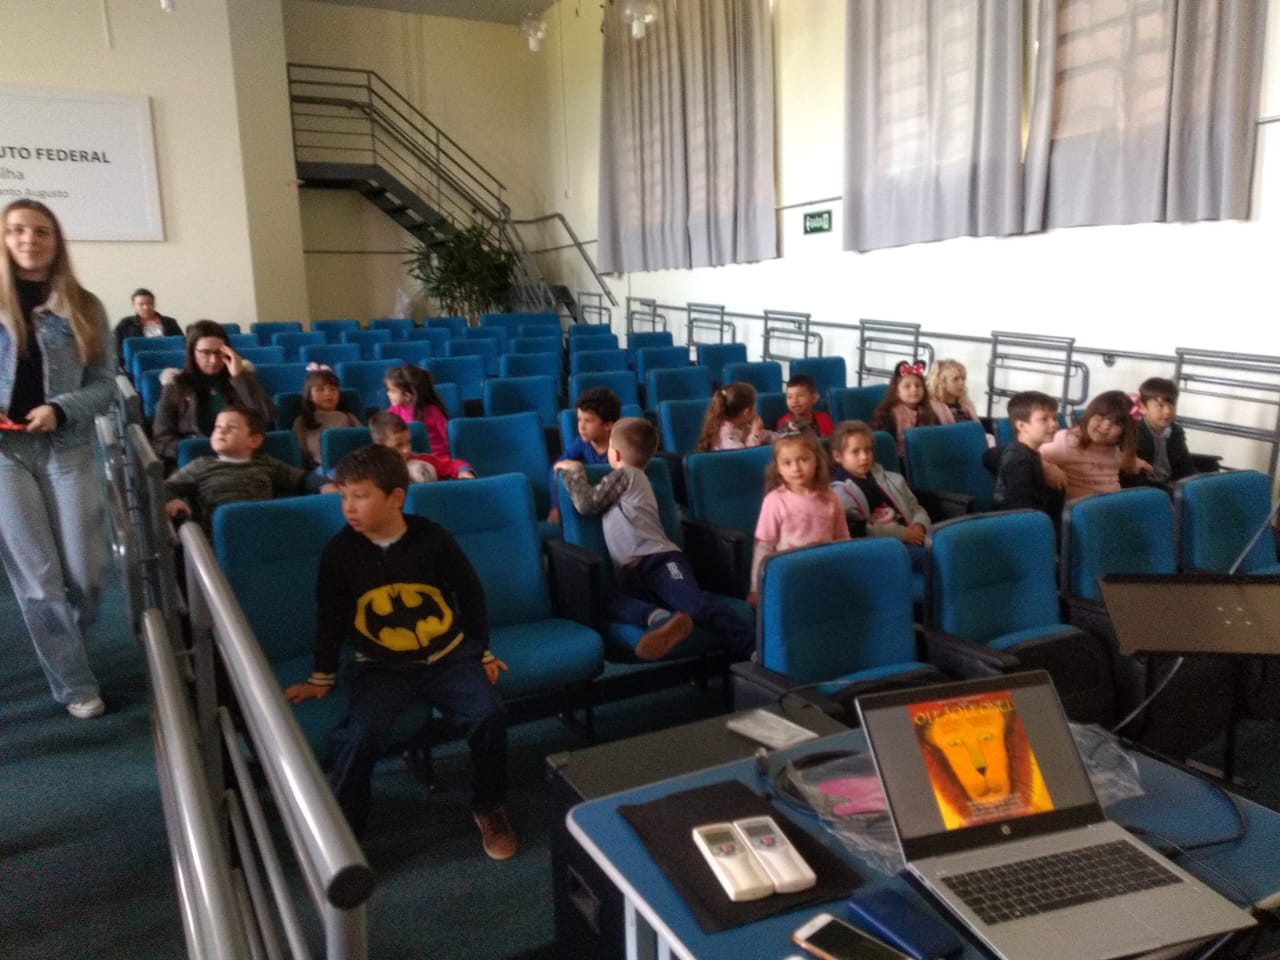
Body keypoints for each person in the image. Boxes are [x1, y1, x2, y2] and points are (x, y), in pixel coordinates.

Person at [283, 444, 516, 857]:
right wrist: (321, 676)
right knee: (359, 737)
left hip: (448, 656)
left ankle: (489, 805)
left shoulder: (432, 538)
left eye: (360, 496)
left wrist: (480, 650)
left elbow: (470, 594)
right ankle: (344, 835)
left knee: (489, 714)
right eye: (344, 496)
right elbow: (330, 616)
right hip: (382, 666)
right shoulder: (340, 552)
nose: (348, 507)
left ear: (395, 497)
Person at [0, 198, 114, 718]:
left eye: (40, 231)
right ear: (5, 238)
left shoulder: (84, 306)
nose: (29, 239)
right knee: (38, 578)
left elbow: (105, 385)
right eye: (17, 230)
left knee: (87, 574)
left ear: (55, 240)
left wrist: (61, 408)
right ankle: (75, 683)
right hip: (5, 454)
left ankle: (66, 637)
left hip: (66, 446)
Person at [555, 417, 754, 660]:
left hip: (660, 561)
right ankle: (659, 619)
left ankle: (751, 644)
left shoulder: (627, 475)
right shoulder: (634, 477)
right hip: (633, 574)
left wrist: (574, 472)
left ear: (614, 454)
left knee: (692, 602)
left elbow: (586, 504)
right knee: (606, 602)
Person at [164, 406, 333, 533]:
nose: (222, 431)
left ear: (254, 440)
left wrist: (324, 485)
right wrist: (171, 500)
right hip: (220, 537)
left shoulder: (266, 463)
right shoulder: (201, 465)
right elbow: (166, 488)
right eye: (218, 427)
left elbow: (300, 477)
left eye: (231, 427)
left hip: (263, 531)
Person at [151, 318, 274, 461]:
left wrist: (239, 377)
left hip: (239, 458)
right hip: (195, 461)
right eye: (206, 353)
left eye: (219, 352)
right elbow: (161, 439)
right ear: (192, 352)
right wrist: (198, 450)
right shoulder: (176, 386)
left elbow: (265, 418)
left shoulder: (240, 381)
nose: (213, 360)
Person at [751, 431, 848, 598]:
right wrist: (757, 588)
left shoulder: (830, 497)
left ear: (816, 460)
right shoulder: (774, 501)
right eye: (787, 463)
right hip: (789, 577)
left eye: (803, 460)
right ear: (778, 468)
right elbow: (763, 547)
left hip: (827, 572)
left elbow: (843, 539)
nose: (795, 468)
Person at [828, 419, 929, 572]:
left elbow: (916, 507)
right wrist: (904, 534)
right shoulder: (839, 491)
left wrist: (919, 526)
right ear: (838, 456)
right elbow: (861, 530)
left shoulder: (893, 478)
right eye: (855, 452)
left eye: (868, 450)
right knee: (934, 559)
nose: (864, 457)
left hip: (916, 536)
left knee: (950, 550)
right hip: (884, 548)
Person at [1039, 390, 1148, 501]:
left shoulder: (1112, 446)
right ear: (1089, 415)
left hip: (1112, 503)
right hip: (1079, 508)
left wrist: (1129, 459)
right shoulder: (1066, 441)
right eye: (1101, 417)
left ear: (1125, 430)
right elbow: (1030, 457)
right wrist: (1048, 468)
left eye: (1116, 423)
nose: (1105, 426)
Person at [547, 386, 620, 524]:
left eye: (588, 421)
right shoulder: (581, 443)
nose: (581, 426)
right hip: (589, 506)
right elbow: (555, 469)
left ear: (607, 425)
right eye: (579, 419)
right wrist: (556, 506)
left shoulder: (620, 447)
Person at [990, 391, 1066, 518]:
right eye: (1044, 419)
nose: (1054, 424)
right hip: (1019, 525)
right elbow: (1023, 512)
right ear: (1021, 426)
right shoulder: (1020, 462)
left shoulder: (1024, 452)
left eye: (1055, 418)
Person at [1122, 377, 1198, 491]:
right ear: (1142, 408)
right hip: (1145, 489)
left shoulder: (1175, 431)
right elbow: (1135, 477)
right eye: (1160, 406)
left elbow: (1185, 466)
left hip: (1172, 485)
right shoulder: (1134, 432)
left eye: (1171, 405)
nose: (1167, 411)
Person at [368, 410, 475, 482]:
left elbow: (453, 465)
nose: (406, 449)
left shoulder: (422, 460)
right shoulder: (372, 472)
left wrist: (464, 471)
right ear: (380, 447)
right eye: (398, 445)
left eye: (408, 442)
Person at [292, 364, 361, 470]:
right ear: (309, 396)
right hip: (318, 469)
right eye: (320, 390)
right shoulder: (301, 421)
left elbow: (362, 443)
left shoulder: (349, 417)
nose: (328, 393)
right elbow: (299, 454)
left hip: (350, 467)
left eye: (333, 389)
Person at [871, 360, 941, 459]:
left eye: (918, 385)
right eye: (907, 386)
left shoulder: (929, 411)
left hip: (924, 457)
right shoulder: (888, 414)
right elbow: (884, 444)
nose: (914, 389)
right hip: (898, 459)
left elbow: (936, 436)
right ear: (896, 391)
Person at [385, 363, 453, 456]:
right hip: (408, 455)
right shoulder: (393, 411)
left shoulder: (433, 411)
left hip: (438, 456)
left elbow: (448, 438)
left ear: (407, 396)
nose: (388, 394)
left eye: (392, 391)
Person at [112, 287, 181, 371]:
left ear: (154, 304)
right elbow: (115, 347)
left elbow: (181, 344)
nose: (146, 307)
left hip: (170, 362)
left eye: (150, 303)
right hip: (139, 364)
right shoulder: (126, 324)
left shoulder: (170, 322)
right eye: (141, 304)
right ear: (134, 305)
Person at [695, 381, 773, 451]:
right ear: (746, 412)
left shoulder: (739, 425)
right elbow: (747, 456)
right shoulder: (726, 436)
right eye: (754, 407)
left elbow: (765, 435)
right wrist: (755, 433)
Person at [774, 373, 833, 438]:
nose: (794, 401)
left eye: (800, 395)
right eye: (789, 397)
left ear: (814, 398)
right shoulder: (785, 423)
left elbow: (831, 440)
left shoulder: (824, 419)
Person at [927, 359, 981, 425]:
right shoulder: (932, 407)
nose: (962, 383)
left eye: (963, 378)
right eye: (955, 379)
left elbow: (978, 427)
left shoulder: (967, 404)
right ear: (942, 382)